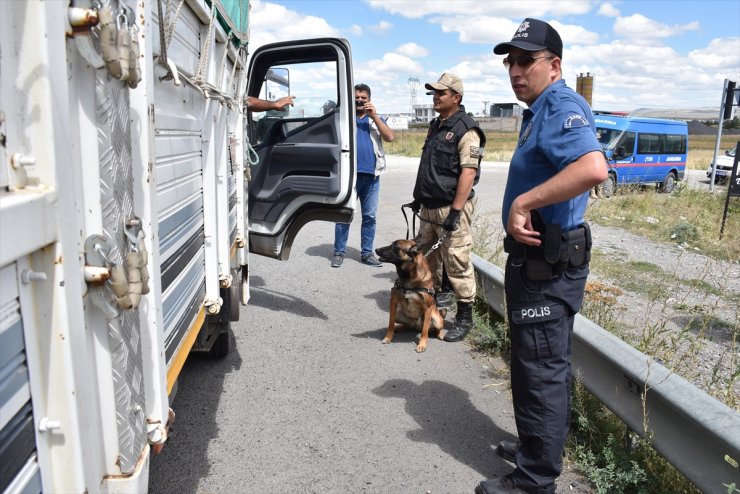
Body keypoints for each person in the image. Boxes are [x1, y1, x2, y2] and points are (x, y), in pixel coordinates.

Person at [475, 18, 608, 494]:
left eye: (525, 60)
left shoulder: (561, 104)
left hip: (546, 265)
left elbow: (594, 167)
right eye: (509, 61)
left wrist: (524, 202)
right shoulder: (539, 109)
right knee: (534, 366)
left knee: (540, 371)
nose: (514, 70)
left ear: (554, 66)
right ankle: (538, 447)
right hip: (536, 263)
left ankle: (534, 480)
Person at [409, 72, 486, 342]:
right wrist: (418, 196)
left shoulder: (467, 129)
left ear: (457, 97)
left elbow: (468, 172)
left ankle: (465, 317)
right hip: (429, 207)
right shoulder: (436, 125)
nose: (436, 97)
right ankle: (433, 309)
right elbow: (428, 166)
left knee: (457, 260)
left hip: (451, 207)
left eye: (441, 93)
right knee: (428, 262)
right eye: (434, 93)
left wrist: (455, 211)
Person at [331, 84, 394, 268]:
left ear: (369, 99)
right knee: (344, 214)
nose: (359, 100)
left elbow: (390, 137)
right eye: (356, 97)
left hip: (372, 177)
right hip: (348, 177)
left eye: (363, 98)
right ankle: (339, 252)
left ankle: (367, 253)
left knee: (370, 217)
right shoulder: (343, 119)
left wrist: (374, 115)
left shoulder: (375, 120)